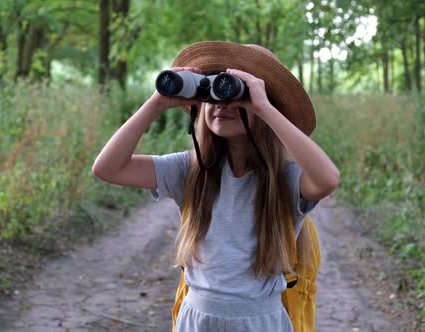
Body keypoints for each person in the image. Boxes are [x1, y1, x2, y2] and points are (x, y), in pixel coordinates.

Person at [92, 41, 340, 332]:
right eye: (212, 92)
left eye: (237, 93)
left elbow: (327, 179)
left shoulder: (284, 179)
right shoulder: (189, 170)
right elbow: (107, 168)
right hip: (197, 320)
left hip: (261, 322)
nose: (222, 103)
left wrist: (264, 108)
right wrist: (156, 103)